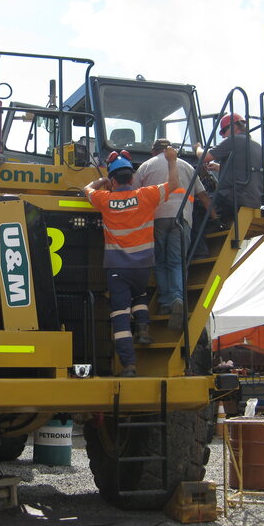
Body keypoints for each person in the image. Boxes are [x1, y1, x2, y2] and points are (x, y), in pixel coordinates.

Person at [84, 146, 179, 377]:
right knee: (140, 295)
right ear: (133, 177)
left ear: (113, 181)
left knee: (120, 315)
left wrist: (101, 180)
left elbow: (85, 189)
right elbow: (174, 185)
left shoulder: (104, 200)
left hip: (117, 268)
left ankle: (129, 364)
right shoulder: (146, 195)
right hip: (143, 265)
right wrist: (172, 161)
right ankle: (144, 331)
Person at [135, 139, 211, 331]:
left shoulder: (146, 166)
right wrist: (217, 217)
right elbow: (203, 195)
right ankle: (178, 297)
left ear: (154, 151)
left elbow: (133, 193)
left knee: (161, 261)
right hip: (182, 219)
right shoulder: (186, 166)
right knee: (177, 261)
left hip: (157, 219)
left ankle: (165, 302)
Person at [200, 113, 264, 223]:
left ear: (234, 127)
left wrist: (197, 148)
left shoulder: (234, 140)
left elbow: (204, 157)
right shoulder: (258, 146)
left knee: (199, 206)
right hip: (255, 200)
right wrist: (219, 168)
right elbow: (244, 171)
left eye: (224, 131)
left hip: (233, 198)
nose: (223, 136)